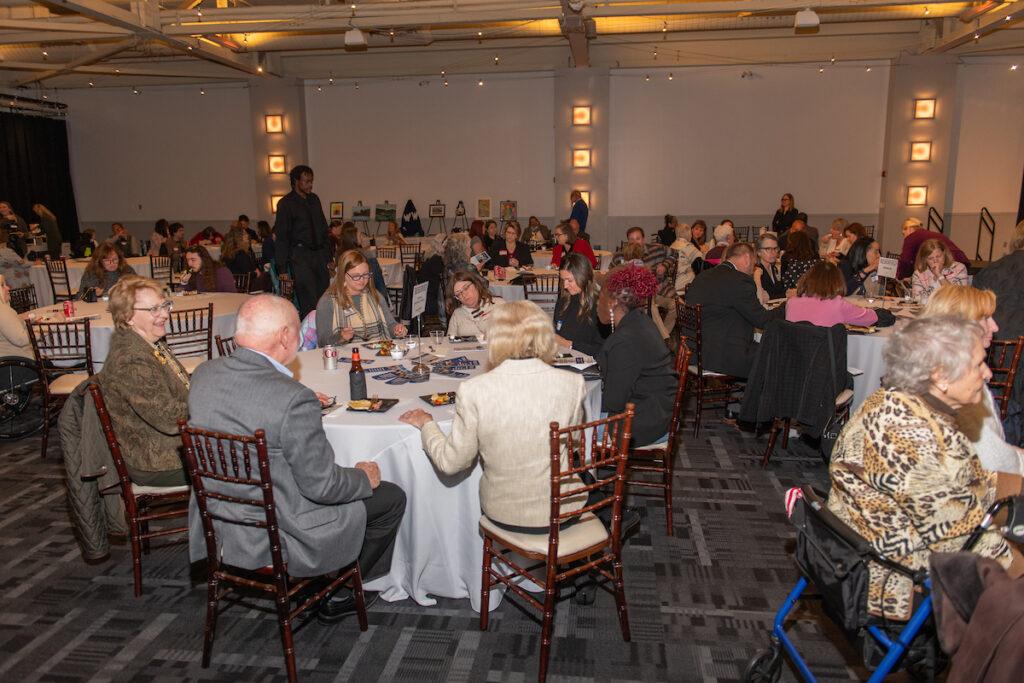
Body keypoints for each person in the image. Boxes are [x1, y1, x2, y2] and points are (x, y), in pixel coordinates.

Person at [188, 294, 406, 621]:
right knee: (390, 497)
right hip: (280, 525)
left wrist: (293, 416)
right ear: (285, 337)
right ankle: (334, 590)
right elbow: (323, 487)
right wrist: (363, 476)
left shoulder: (203, 375)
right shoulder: (292, 398)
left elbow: (245, 412)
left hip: (219, 518)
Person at [827, 315, 1019, 621]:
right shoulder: (908, 435)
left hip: (866, 546)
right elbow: (962, 539)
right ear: (941, 376)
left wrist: (1011, 488)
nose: (987, 373)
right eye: (978, 365)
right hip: (891, 577)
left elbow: (965, 478)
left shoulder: (903, 402)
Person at [399, 299, 587, 527]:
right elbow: (576, 442)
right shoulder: (573, 383)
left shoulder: (474, 389)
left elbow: (451, 463)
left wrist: (427, 424)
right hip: (565, 508)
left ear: (495, 337)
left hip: (505, 513)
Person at [921, 285, 1024, 480]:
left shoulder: (932, 367)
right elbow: (994, 461)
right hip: (978, 493)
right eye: (986, 318)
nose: (995, 327)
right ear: (960, 325)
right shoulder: (959, 385)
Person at [96, 276, 189, 486]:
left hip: (173, 446)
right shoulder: (131, 359)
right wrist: (214, 407)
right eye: (154, 309)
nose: (165, 314)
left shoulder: (150, 342)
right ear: (128, 317)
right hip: (159, 461)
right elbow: (169, 419)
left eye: (165, 305)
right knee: (249, 458)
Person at [595, 265, 677, 446]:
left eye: (600, 295)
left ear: (613, 302)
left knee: (567, 425)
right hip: (657, 411)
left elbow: (612, 402)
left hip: (642, 423)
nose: (597, 302)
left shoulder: (625, 340)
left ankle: (581, 472)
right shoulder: (641, 321)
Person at [685, 242, 779, 378]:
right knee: (777, 353)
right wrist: (787, 306)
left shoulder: (703, 276)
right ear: (747, 258)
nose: (753, 269)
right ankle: (760, 398)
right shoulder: (740, 281)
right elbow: (762, 320)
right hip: (722, 355)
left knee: (763, 347)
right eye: (754, 263)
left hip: (696, 352)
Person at [315, 249, 405, 346]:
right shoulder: (327, 301)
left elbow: (390, 324)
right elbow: (323, 342)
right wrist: (341, 337)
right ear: (342, 275)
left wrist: (397, 330)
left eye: (366, 275)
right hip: (346, 358)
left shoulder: (375, 295)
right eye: (356, 276)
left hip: (379, 353)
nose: (362, 280)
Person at [274, 165, 331, 317]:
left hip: (319, 255)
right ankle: (310, 336)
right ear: (296, 181)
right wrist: (282, 269)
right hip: (300, 256)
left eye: (311, 181)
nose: (310, 185)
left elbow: (323, 228)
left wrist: (329, 257)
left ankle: (326, 333)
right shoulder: (285, 204)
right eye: (306, 181)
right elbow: (282, 237)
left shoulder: (314, 199)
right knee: (309, 299)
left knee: (325, 297)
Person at [785, 261, 879, 327]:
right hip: (826, 353)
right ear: (837, 281)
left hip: (795, 354)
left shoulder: (791, 303)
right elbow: (872, 318)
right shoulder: (838, 304)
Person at [554, 253, 605, 357]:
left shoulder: (600, 307)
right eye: (563, 280)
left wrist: (569, 345)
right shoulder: (563, 302)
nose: (565, 285)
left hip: (587, 364)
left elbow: (603, 349)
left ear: (583, 277)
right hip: (563, 358)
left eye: (570, 280)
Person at [897, 216, 970, 279]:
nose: (905, 236)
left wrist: (899, 276)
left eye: (904, 233)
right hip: (961, 261)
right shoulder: (930, 234)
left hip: (948, 262)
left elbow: (905, 261)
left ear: (909, 229)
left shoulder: (911, 237)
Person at [446, 269, 505, 338]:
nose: (464, 295)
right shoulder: (457, 314)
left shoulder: (498, 304)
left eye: (466, 288)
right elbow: (449, 341)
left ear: (476, 284)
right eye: (458, 294)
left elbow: (511, 335)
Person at [911, 238, 970, 303]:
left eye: (938, 256)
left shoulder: (959, 268)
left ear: (944, 254)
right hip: (928, 311)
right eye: (931, 258)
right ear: (925, 260)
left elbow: (958, 297)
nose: (935, 261)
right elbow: (918, 299)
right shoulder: (918, 274)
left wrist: (940, 276)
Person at [221, 228, 270, 292]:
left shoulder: (228, 253)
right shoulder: (240, 253)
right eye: (244, 234)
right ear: (239, 238)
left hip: (234, 282)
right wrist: (258, 272)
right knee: (267, 275)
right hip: (243, 284)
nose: (247, 235)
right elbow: (250, 272)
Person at [0, 274, 32, 358]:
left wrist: (20, 318)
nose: (8, 288)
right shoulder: (2, 310)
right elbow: (21, 340)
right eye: (2, 286)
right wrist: (42, 331)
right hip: (15, 361)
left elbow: (6, 326)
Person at [670, 223, 705, 295]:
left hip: (673, 284)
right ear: (688, 234)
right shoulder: (687, 246)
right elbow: (702, 262)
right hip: (684, 285)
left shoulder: (672, 246)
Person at [753, 232, 787, 303]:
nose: (773, 252)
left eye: (775, 248)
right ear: (758, 252)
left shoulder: (775, 268)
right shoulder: (756, 271)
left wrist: (788, 292)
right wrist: (786, 294)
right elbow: (762, 298)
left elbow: (778, 291)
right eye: (768, 249)